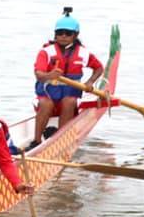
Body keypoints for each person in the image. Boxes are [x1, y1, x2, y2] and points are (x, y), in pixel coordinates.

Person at [32, 8, 105, 143]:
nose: (63, 36)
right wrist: (49, 75)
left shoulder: (83, 53)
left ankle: (61, 140)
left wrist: (90, 82)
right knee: (46, 104)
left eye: (68, 33)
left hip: (70, 94)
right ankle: (36, 141)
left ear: (75, 35)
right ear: (55, 35)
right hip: (48, 93)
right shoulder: (46, 52)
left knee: (69, 102)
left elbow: (99, 68)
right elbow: (39, 75)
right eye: (60, 33)